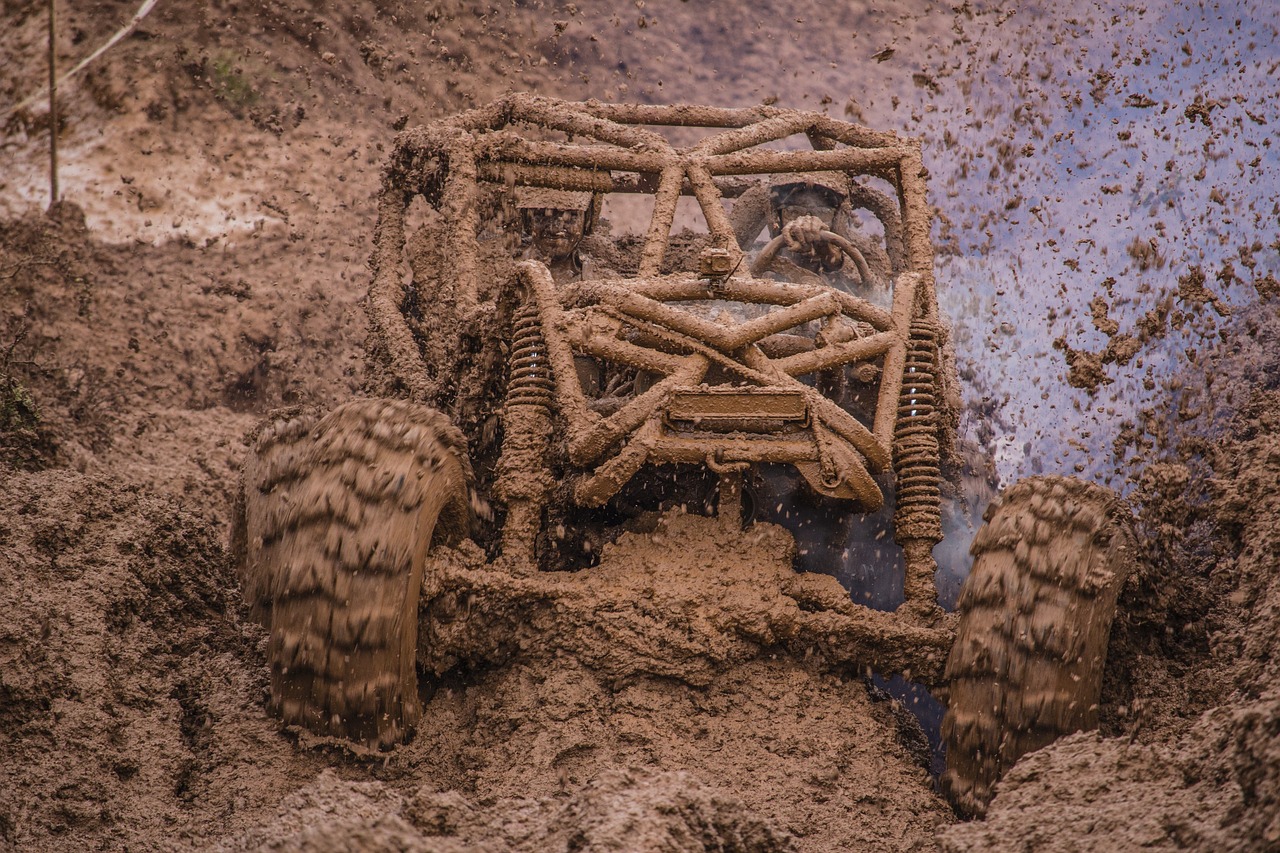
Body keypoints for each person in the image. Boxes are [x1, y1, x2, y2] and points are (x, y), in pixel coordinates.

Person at [515, 186, 602, 284]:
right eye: (542, 215)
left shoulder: (599, 279)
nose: (554, 229)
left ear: (587, 221)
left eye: (570, 216)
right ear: (528, 221)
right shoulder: (507, 271)